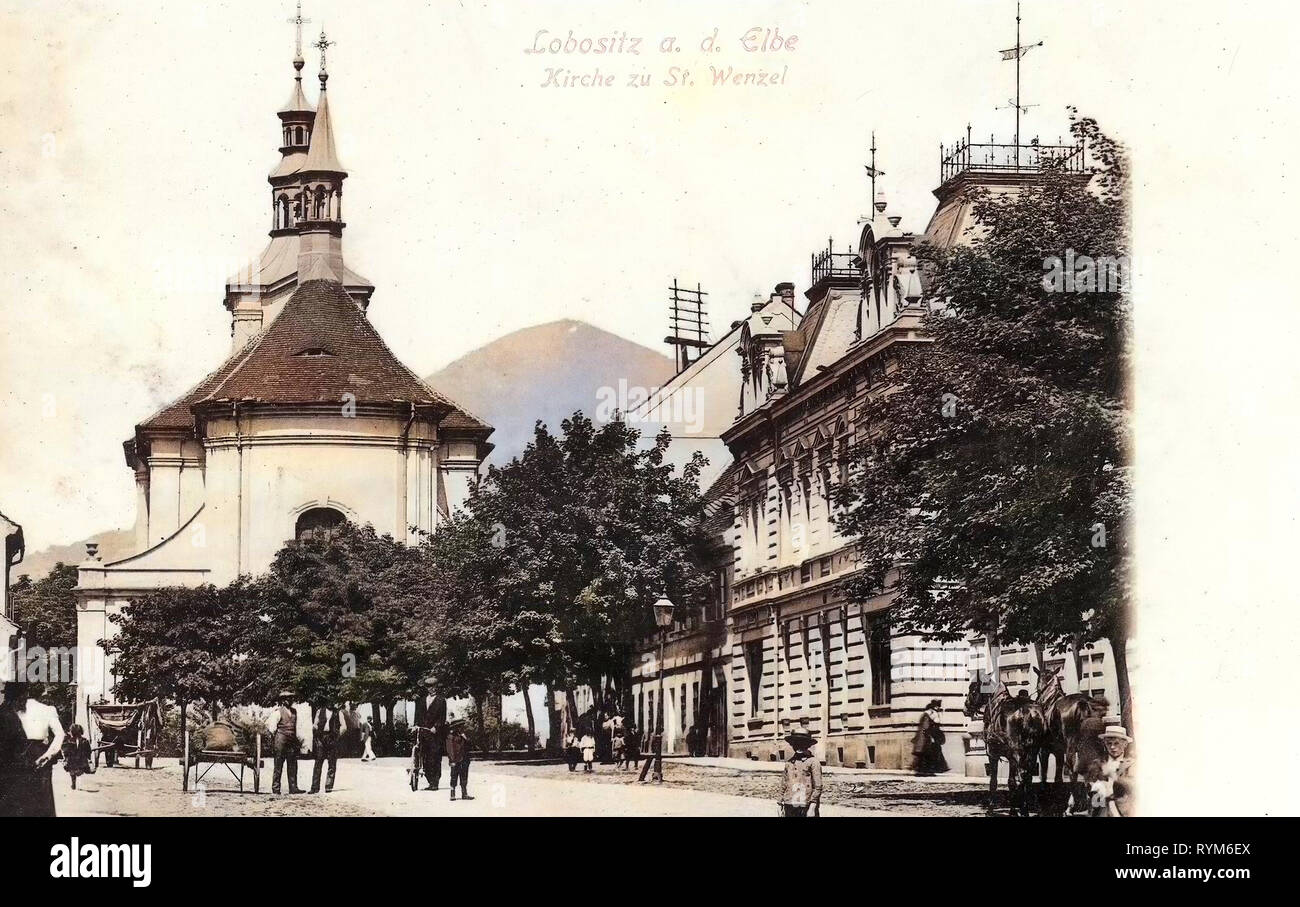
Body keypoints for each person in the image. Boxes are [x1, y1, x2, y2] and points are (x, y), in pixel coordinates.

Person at [0, 682, 64, 816]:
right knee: (42, 799)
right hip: (38, 753)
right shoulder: (48, 709)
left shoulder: (10, 709)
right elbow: (60, 735)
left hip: (17, 756)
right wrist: (48, 755)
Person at [1091, 725, 1136, 817]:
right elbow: (1093, 792)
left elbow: (1132, 788)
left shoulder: (1131, 765)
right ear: (1104, 743)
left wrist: (1113, 777)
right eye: (1109, 743)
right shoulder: (1098, 764)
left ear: (1125, 744)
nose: (1112, 747)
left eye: (1116, 743)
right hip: (1102, 809)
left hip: (1123, 810)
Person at [779, 725, 822, 817]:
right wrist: (780, 804)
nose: (799, 746)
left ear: (808, 745)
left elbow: (818, 787)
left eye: (802, 743)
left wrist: (812, 808)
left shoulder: (813, 762)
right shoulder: (789, 763)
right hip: (789, 805)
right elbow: (784, 784)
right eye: (796, 743)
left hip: (806, 805)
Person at [415, 678, 447, 791]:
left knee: (435, 757)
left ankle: (435, 782)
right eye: (429, 686)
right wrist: (416, 725)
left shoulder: (441, 700)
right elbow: (418, 715)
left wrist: (436, 727)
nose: (431, 688)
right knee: (425, 758)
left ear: (436, 687)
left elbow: (442, 718)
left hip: (435, 734)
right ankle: (429, 781)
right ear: (426, 688)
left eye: (433, 686)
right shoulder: (422, 700)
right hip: (424, 733)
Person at [271, 690, 303, 795]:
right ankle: (276, 788)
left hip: (291, 741)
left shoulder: (294, 712)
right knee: (278, 764)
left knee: (292, 764)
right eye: (287, 698)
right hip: (281, 740)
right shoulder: (278, 712)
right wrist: (277, 739)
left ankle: (293, 788)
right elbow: (272, 728)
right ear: (283, 701)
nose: (289, 700)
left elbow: (296, 727)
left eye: (291, 698)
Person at [310, 699, 342, 794]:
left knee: (332, 763)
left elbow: (344, 726)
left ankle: (328, 786)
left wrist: (337, 736)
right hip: (321, 738)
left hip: (332, 738)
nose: (331, 703)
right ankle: (314, 787)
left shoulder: (338, 713)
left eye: (332, 700)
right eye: (329, 700)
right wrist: (316, 735)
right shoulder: (320, 711)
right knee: (318, 762)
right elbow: (315, 724)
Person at [911, 699, 948, 775]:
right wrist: (931, 736)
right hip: (926, 737)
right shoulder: (930, 714)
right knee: (927, 753)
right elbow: (927, 727)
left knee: (928, 753)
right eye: (937, 706)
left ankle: (925, 769)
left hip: (926, 737)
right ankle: (926, 769)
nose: (938, 708)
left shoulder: (928, 714)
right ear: (934, 706)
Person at [446, 718, 473, 801]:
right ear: (456, 727)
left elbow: (470, 745)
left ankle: (464, 793)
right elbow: (450, 749)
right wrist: (452, 760)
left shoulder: (463, 735)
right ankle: (452, 794)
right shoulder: (450, 736)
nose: (462, 728)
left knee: (464, 776)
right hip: (455, 759)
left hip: (464, 759)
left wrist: (465, 737)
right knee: (454, 776)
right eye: (460, 726)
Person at [62, 723, 93, 789]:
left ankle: (73, 783)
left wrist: (65, 757)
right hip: (81, 760)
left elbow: (65, 750)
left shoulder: (69, 741)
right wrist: (88, 758)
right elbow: (89, 751)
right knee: (78, 770)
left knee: (72, 771)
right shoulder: (85, 741)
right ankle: (75, 779)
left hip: (72, 760)